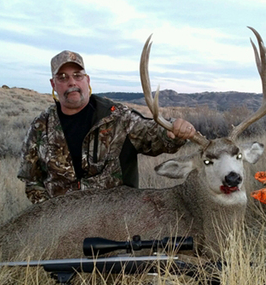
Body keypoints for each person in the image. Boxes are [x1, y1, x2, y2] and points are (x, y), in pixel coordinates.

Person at [18, 50, 196, 204]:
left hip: (115, 223)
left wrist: (173, 129)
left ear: (87, 80)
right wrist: (48, 214)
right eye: (62, 77)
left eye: (77, 75)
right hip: (61, 227)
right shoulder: (41, 127)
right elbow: (32, 182)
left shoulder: (118, 117)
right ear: (53, 84)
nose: (71, 82)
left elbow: (154, 136)